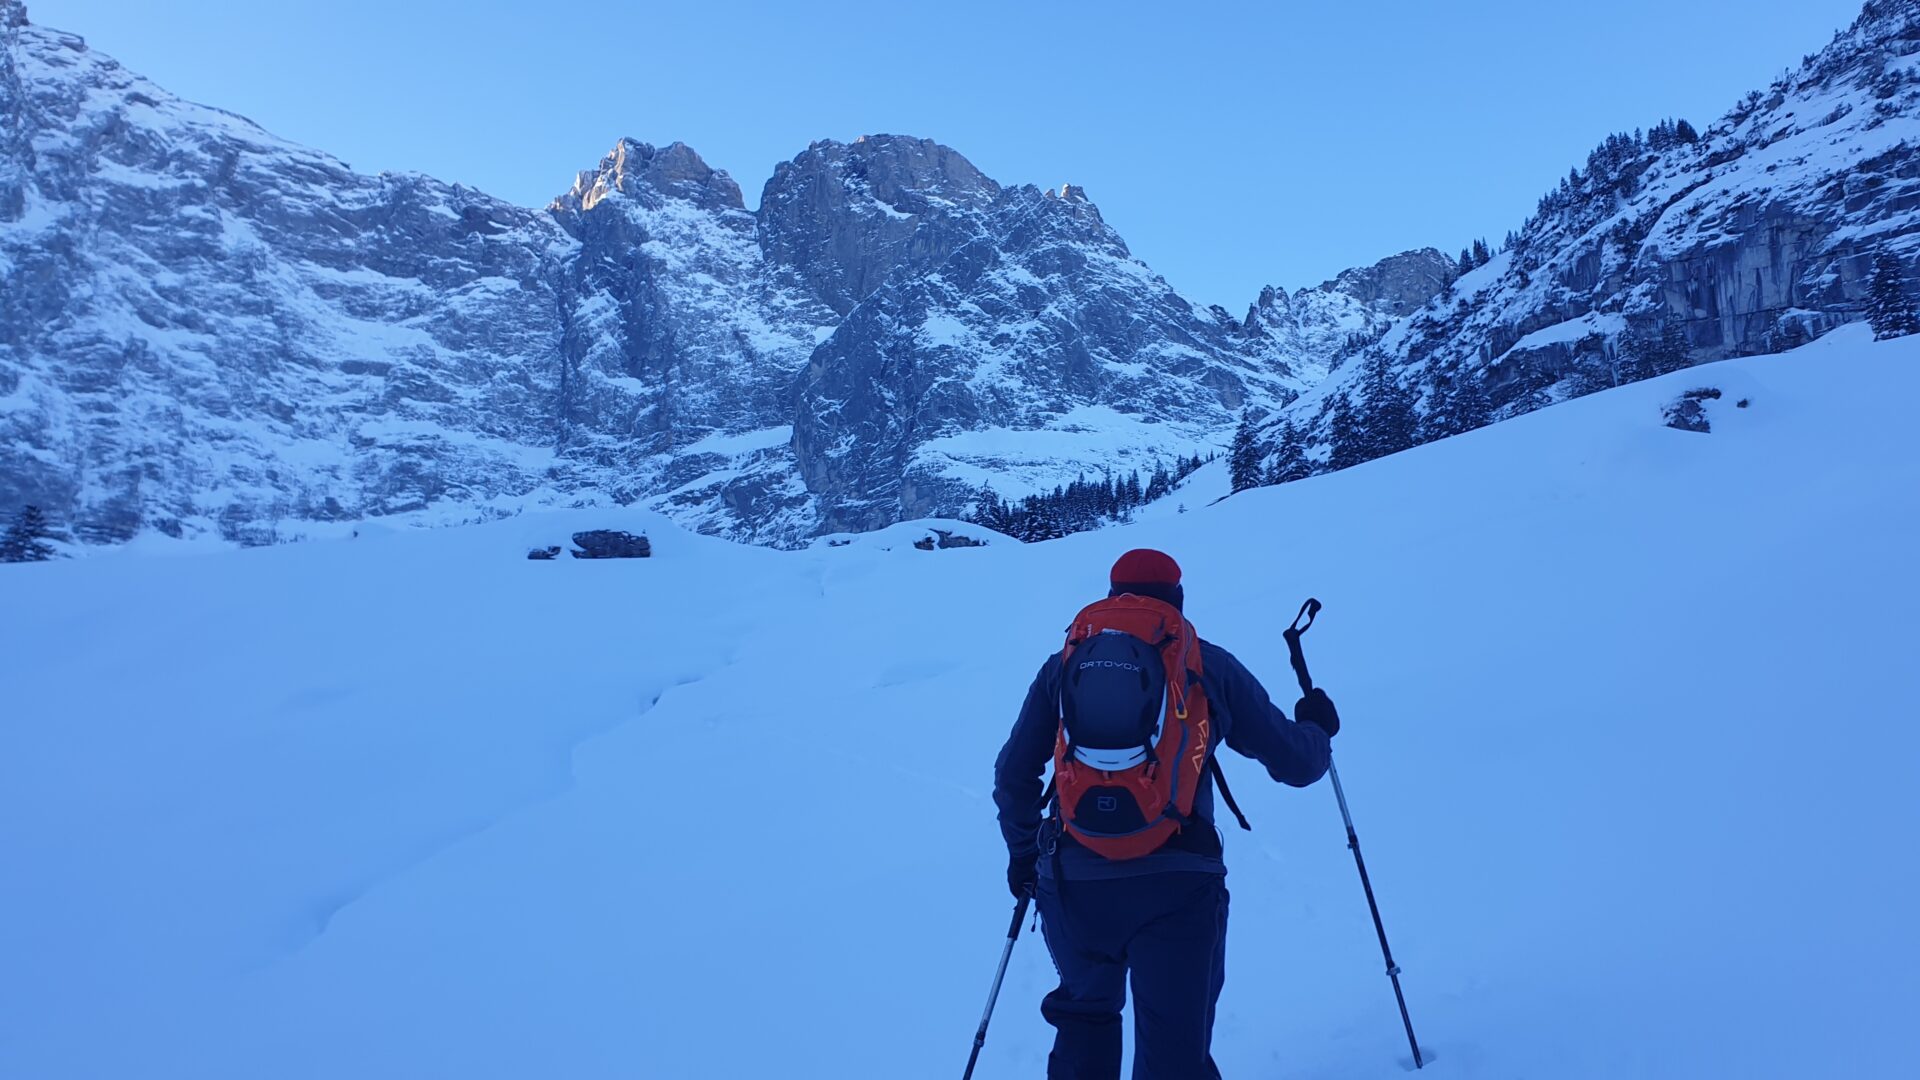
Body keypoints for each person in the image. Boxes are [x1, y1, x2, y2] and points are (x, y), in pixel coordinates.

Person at [992, 548, 1340, 1079]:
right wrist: (1317, 727)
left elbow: (1013, 775)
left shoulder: (1063, 665)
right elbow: (1296, 763)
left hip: (1073, 882)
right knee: (1174, 1056)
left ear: (1112, 596)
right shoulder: (1207, 664)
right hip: (1178, 885)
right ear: (1177, 600)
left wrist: (1023, 855)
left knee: (1084, 1023)